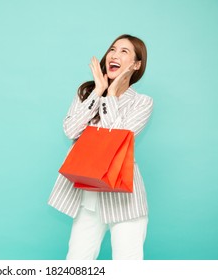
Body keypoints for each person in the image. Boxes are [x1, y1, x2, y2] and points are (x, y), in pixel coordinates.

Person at [48, 34, 153, 260]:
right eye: (113, 49)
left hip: (125, 201)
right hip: (89, 198)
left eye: (124, 51)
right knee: (76, 264)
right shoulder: (87, 93)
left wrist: (111, 95)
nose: (114, 54)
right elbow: (70, 131)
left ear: (136, 65)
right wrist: (98, 92)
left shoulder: (142, 102)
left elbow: (114, 141)